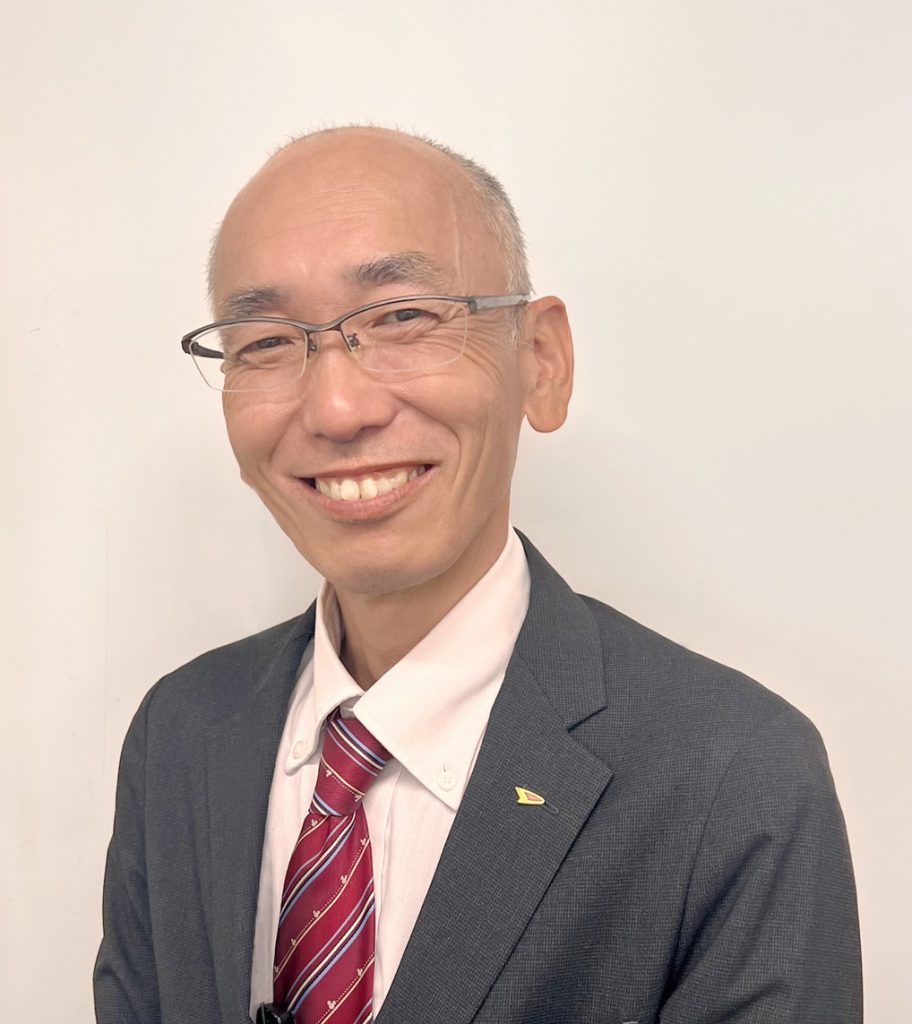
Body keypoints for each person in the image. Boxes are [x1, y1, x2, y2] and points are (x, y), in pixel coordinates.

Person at [94, 126, 862, 1024]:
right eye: (265, 342)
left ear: (541, 362)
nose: (336, 408)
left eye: (401, 318)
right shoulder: (181, 735)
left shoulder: (733, 776)